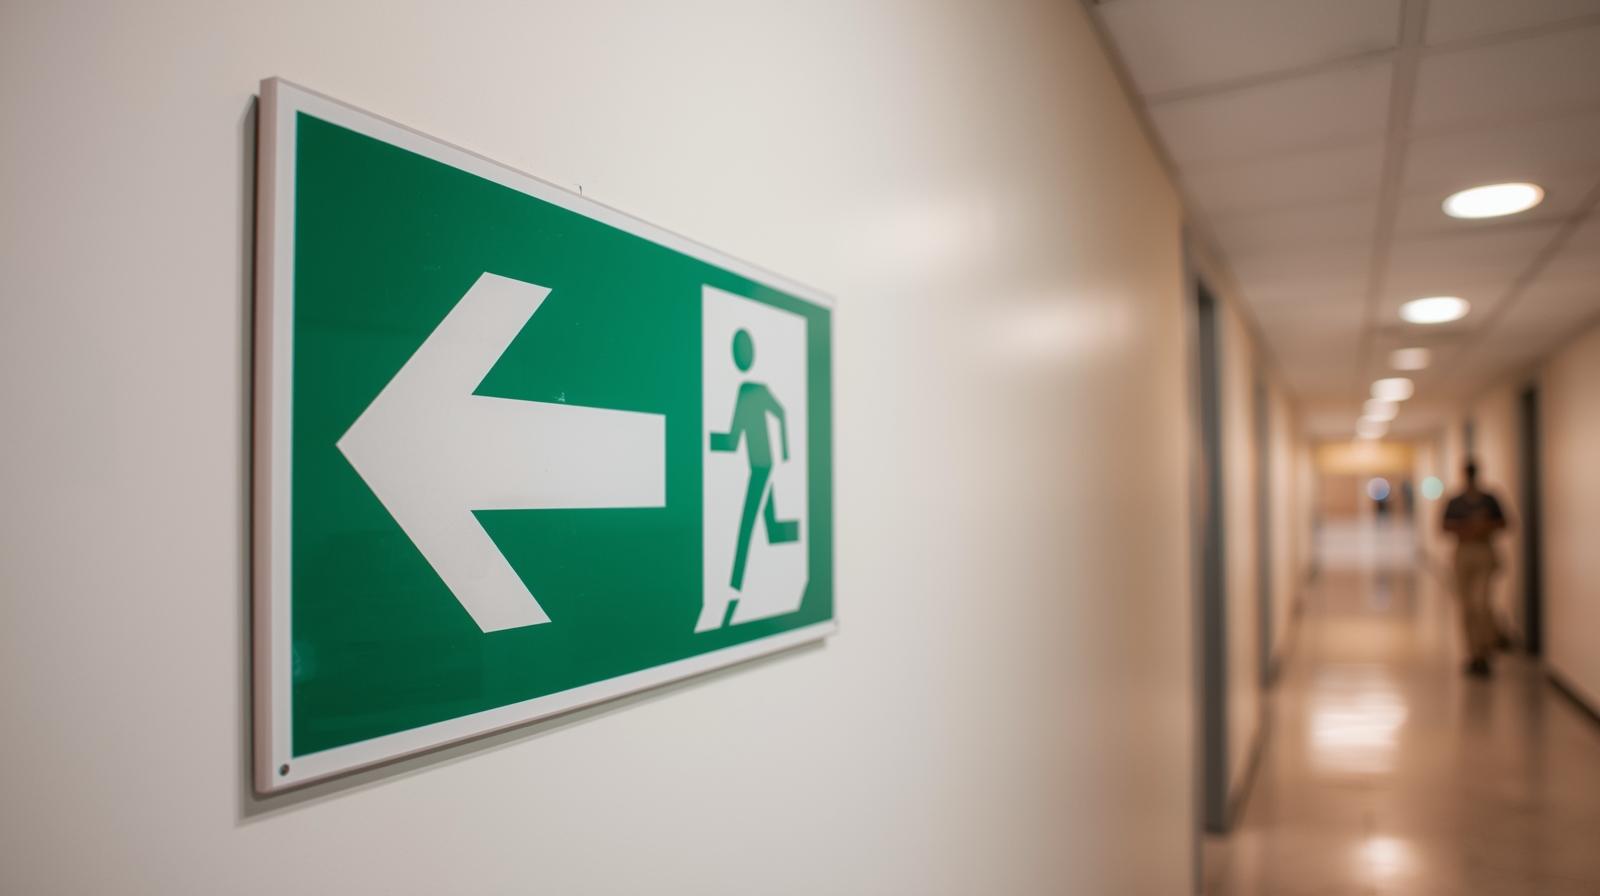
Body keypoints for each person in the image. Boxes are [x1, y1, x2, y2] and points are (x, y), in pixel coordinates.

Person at [709, 329, 799, 594]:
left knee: (747, 522)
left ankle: (735, 582)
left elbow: (781, 413)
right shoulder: (745, 392)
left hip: (763, 467)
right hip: (759, 465)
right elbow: (733, 441)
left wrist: (785, 452)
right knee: (771, 527)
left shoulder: (755, 391)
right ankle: (788, 534)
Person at [1441, 460, 1509, 677]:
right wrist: (1469, 527)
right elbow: (1444, 526)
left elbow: (1505, 523)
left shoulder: (1490, 499)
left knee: (1481, 603)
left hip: (1484, 552)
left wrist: (1484, 525)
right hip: (1463, 553)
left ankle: (1486, 646)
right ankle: (1474, 653)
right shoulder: (1456, 501)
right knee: (1467, 606)